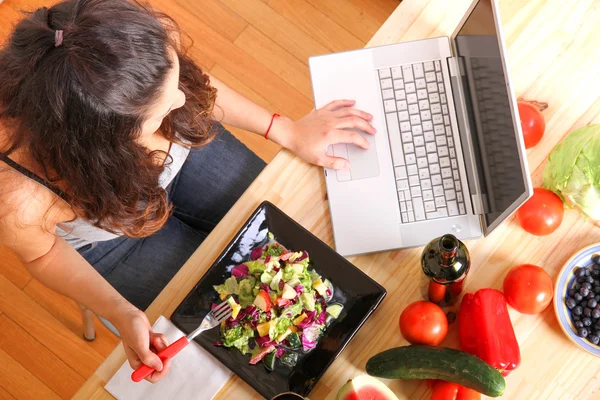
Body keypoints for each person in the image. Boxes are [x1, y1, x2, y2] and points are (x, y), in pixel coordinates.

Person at [0, 0, 375, 382]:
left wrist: (285, 130)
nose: (181, 100)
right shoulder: (15, 195)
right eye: (160, 111)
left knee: (303, 248)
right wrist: (120, 311)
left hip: (187, 157)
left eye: (171, 86)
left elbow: (184, 90)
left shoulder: (118, 39)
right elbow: (43, 252)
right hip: (113, 241)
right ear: (102, 147)